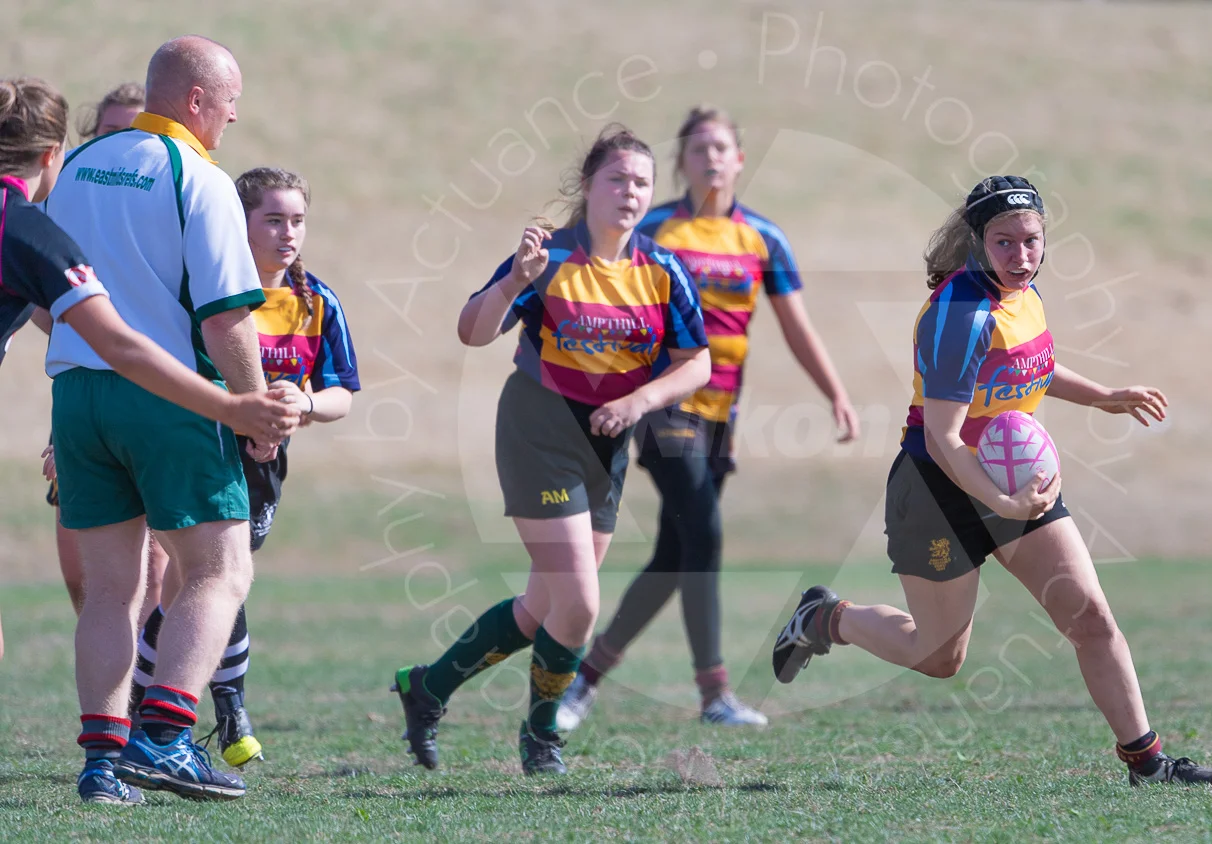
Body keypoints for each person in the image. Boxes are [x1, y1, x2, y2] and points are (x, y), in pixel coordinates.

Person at [768, 176, 1212, 787]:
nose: (1021, 256)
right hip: (937, 493)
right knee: (939, 658)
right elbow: (944, 437)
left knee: (1090, 618)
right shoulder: (959, 314)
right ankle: (827, 618)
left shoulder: (1026, 295)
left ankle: (1148, 763)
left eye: (1031, 241)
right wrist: (1001, 500)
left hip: (1016, 487)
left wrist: (1103, 398)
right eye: (1004, 242)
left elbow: (1033, 363)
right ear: (978, 242)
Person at [390, 125, 710, 776]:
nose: (629, 192)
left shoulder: (661, 268)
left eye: (642, 183)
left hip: (609, 441)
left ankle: (427, 688)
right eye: (616, 178)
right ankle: (542, 739)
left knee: (546, 610)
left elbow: (696, 363)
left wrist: (640, 402)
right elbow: (471, 331)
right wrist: (513, 281)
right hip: (539, 427)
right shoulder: (550, 256)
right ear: (588, 186)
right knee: (582, 604)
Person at [0, 73, 296, 747]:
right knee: (220, 572)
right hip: (167, 399)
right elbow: (223, 319)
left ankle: (104, 761)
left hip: (75, 399)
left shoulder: (78, 169)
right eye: (230, 99)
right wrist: (243, 407)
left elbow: (50, 311)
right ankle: (163, 741)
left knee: (109, 591)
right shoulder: (201, 176)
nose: (236, 114)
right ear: (197, 100)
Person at [556, 106, 859, 731]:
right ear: (682, 163)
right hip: (662, 406)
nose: (711, 158)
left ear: (739, 160)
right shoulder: (657, 227)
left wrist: (835, 392)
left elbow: (795, 327)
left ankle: (581, 681)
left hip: (722, 415)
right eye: (698, 148)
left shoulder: (762, 238)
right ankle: (714, 693)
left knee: (676, 553)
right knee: (705, 534)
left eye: (722, 147)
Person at [129, 166, 361, 771]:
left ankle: (139, 701)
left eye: (298, 221)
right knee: (223, 576)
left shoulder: (317, 302)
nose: (288, 234)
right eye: (273, 220)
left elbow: (342, 394)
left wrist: (303, 403)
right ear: (241, 222)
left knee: (190, 589)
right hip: (197, 453)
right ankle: (228, 708)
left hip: (264, 463)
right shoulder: (203, 291)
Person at [36, 81, 170, 630]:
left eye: (135, 133)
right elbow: (39, 307)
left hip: (157, 403)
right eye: (111, 132)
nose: (122, 146)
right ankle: (117, 697)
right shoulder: (65, 208)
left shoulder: (173, 204)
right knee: (84, 581)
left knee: (154, 573)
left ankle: (143, 701)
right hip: (84, 402)